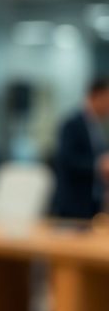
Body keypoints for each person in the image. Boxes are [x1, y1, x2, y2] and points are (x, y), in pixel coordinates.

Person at [53, 78, 109, 219]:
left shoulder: (97, 126)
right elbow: (66, 160)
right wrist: (99, 166)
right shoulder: (72, 124)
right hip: (73, 204)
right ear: (96, 96)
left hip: (92, 203)